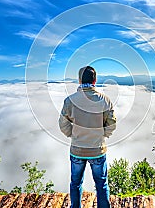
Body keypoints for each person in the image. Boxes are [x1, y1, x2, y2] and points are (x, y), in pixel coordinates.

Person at [59, 66, 116, 208]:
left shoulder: (69, 101)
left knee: (76, 183)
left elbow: (63, 124)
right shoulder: (105, 100)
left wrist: (73, 135)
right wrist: (102, 135)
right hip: (97, 149)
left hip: (77, 149)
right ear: (95, 80)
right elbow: (112, 124)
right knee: (102, 184)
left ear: (79, 80)